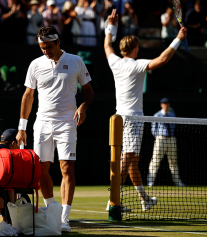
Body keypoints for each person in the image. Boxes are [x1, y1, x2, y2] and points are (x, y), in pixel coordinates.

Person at [103, 9, 187, 211]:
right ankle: (113, 201)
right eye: (138, 47)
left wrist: (110, 25)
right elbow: (162, 60)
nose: (139, 50)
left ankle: (144, 199)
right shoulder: (136, 65)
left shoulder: (115, 62)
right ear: (134, 49)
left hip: (119, 119)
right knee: (126, 159)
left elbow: (107, 44)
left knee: (133, 162)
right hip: (133, 119)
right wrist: (177, 39)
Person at [16, 26, 94, 232]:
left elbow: (88, 92)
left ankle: (64, 218)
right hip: (42, 122)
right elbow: (28, 96)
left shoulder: (76, 61)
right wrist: (21, 128)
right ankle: (52, 210)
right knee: (41, 170)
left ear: (58, 42)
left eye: (48, 47)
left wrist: (83, 107)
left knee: (67, 168)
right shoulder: (35, 65)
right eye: (42, 48)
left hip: (67, 122)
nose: (45, 51)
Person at [148, 98, 184, 187]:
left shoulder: (172, 114)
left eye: (167, 103)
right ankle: (150, 181)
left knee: (173, 161)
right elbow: (153, 129)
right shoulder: (157, 115)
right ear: (161, 105)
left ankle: (177, 181)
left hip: (171, 139)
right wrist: (158, 138)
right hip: (161, 139)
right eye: (164, 103)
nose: (166, 105)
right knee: (155, 160)